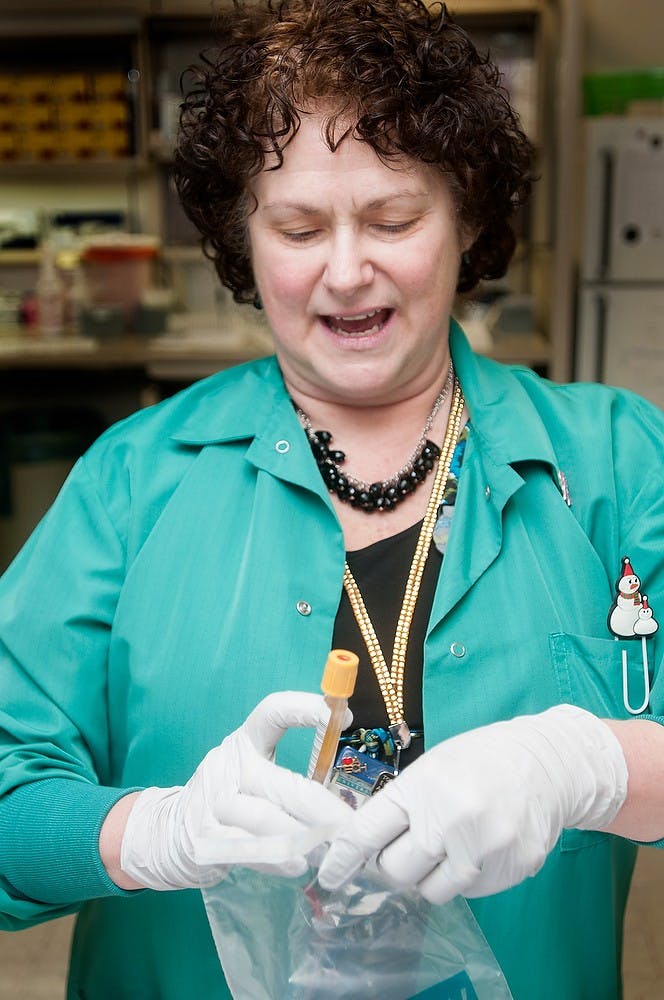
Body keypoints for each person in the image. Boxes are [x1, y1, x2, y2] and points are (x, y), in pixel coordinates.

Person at [0, 0, 662, 997]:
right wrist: (149, 830)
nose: (346, 272)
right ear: (242, 238)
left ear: (468, 216)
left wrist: (586, 762)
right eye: (298, 227)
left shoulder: (612, 460)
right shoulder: (134, 481)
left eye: (394, 219)